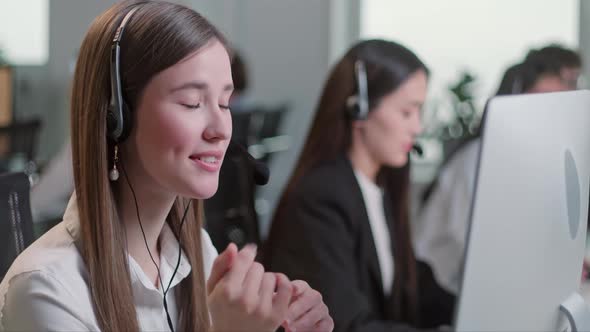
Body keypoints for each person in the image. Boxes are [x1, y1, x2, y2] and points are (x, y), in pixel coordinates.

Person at [0, 1, 333, 331]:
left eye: (224, 103)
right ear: (118, 117)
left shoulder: (195, 253)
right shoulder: (44, 290)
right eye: (192, 102)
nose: (221, 130)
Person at [263, 39, 455, 332]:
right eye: (407, 112)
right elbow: (346, 325)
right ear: (358, 109)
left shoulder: (380, 189)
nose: (417, 127)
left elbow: (412, 284)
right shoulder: (319, 198)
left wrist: (469, 310)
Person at [413, 45, 581, 294]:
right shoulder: (477, 158)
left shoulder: (535, 161)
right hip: (443, 295)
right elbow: (479, 251)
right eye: (539, 99)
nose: (547, 113)